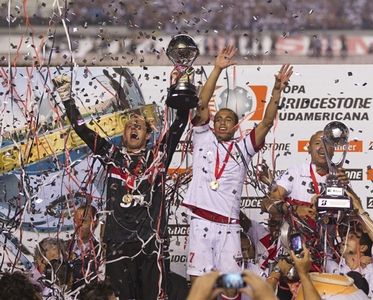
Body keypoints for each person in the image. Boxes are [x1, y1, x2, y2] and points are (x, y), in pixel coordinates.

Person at [54, 73, 189, 300]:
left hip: (151, 245)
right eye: (129, 126)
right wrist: (67, 99)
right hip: (118, 243)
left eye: (140, 126)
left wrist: (183, 93)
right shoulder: (111, 156)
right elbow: (81, 129)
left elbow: (179, 124)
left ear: (147, 136)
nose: (134, 128)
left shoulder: (158, 157)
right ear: (123, 135)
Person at [182, 44, 293, 284]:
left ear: (235, 126)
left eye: (227, 120)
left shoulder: (243, 148)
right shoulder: (203, 136)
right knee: (199, 286)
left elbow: (265, 123)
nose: (221, 123)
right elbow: (201, 104)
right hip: (201, 222)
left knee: (232, 287)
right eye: (218, 119)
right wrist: (217, 69)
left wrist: (276, 91)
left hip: (230, 227)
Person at [262, 130, 349, 220]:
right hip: (300, 232)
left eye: (327, 143)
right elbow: (266, 203)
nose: (323, 147)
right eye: (317, 143)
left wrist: (347, 189)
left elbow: (356, 210)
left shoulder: (339, 177)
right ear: (309, 149)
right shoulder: (295, 172)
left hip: (330, 232)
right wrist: (294, 209)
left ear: (333, 150)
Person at [326, 189, 373, 300]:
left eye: (351, 236)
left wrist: (360, 210)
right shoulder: (335, 270)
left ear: (363, 247)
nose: (344, 238)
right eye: (344, 235)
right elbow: (325, 241)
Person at [67, 205, 100, 291]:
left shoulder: (101, 251)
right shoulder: (65, 248)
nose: (78, 225)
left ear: (95, 223)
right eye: (75, 221)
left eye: (83, 221)